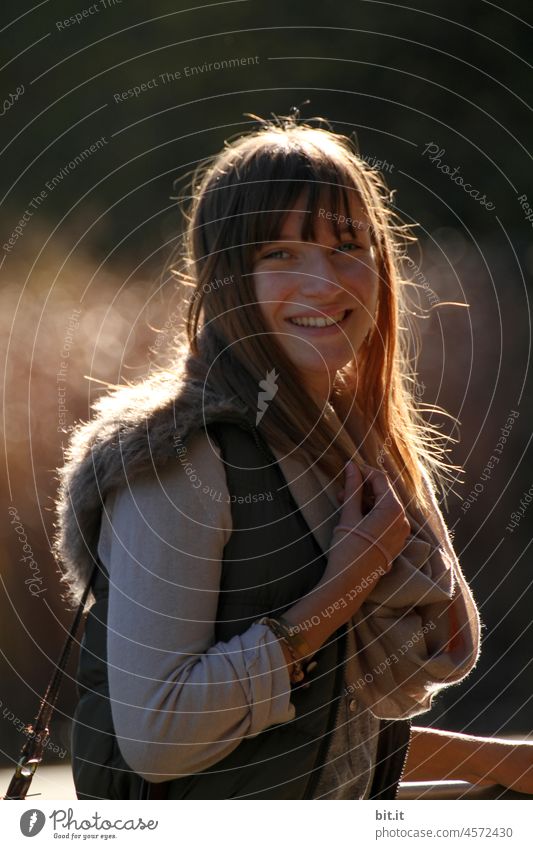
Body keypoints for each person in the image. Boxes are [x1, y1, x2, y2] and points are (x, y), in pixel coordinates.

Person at [53, 114, 533, 800]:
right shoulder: (184, 456)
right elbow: (157, 738)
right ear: (226, 280)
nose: (326, 282)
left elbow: (339, 725)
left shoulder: (353, 445)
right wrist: (344, 584)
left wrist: (498, 765)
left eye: (347, 247)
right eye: (280, 253)